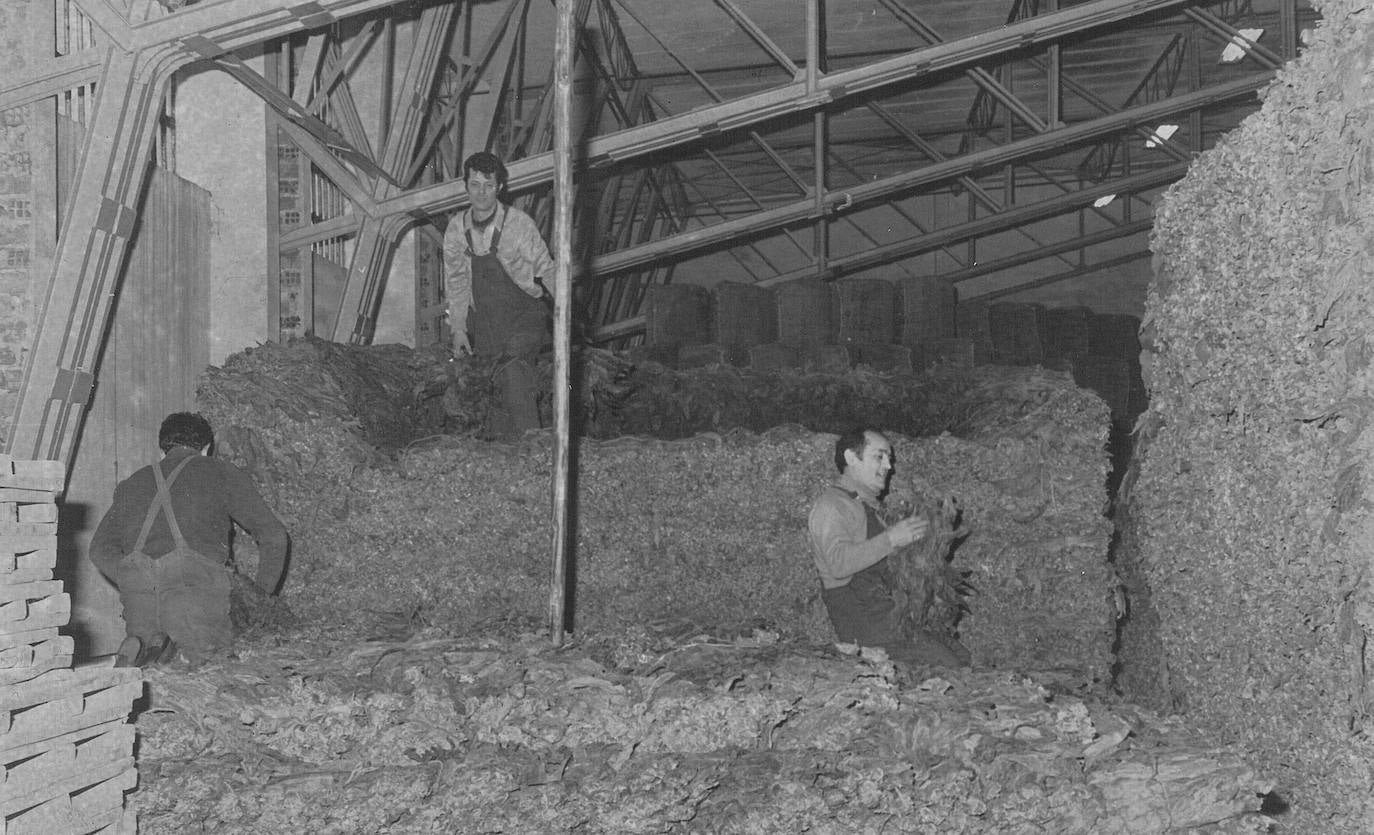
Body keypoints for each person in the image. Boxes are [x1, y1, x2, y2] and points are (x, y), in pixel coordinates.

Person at [90, 412, 289, 667]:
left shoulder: (131, 484)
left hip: (139, 595)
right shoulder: (218, 471)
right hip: (193, 593)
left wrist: (132, 575)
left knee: (146, 683)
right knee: (206, 676)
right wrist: (261, 596)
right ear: (206, 448)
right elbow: (274, 536)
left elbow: (98, 550)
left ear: (163, 449)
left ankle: (146, 649)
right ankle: (178, 654)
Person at [807, 427, 971, 668]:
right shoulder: (832, 506)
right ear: (851, 458)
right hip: (868, 624)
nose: (888, 466)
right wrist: (892, 538)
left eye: (889, 458)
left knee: (964, 659)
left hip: (894, 618)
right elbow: (837, 564)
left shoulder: (868, 506)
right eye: (879, 456)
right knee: (950, 667)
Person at [443, 151, 556, 439]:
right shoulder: (456, 229)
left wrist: (565, 311)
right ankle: (503, 458)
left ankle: (533, 451)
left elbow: (547, 269)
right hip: (486, 322)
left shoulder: (518, 225)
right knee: (494, 385)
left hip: (525, 315)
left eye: (488, 185)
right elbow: (456, 281)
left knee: (513, 369)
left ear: (500, 187)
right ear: (465, 186)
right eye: (475, 185)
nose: (481, 193)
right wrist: (458, 329)